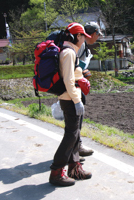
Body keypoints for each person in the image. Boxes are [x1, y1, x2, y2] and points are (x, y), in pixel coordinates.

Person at [49, 22, 92, 186]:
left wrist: (80, 78)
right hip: (70, 99)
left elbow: (70, 77)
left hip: (70, 97)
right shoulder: (68, 53)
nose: (84, 40)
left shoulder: (68, 51)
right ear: (77, 36)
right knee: (70, 136)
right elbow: (68, 80)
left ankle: (75, 168)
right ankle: (56, 172)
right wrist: (77, 101)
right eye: (83, 37)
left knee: (74, 135)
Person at [77, 22, 103, 157]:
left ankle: (75, 149)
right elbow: (70, 65)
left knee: (75, 119)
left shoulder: (81, 45)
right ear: (93, 34)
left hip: (73, 86)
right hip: (72, 87)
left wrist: (83, 70)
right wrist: (80, 74)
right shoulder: (81, 45)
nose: (98, 38)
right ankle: (74, 152)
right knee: (75, 119)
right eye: (98, 35)